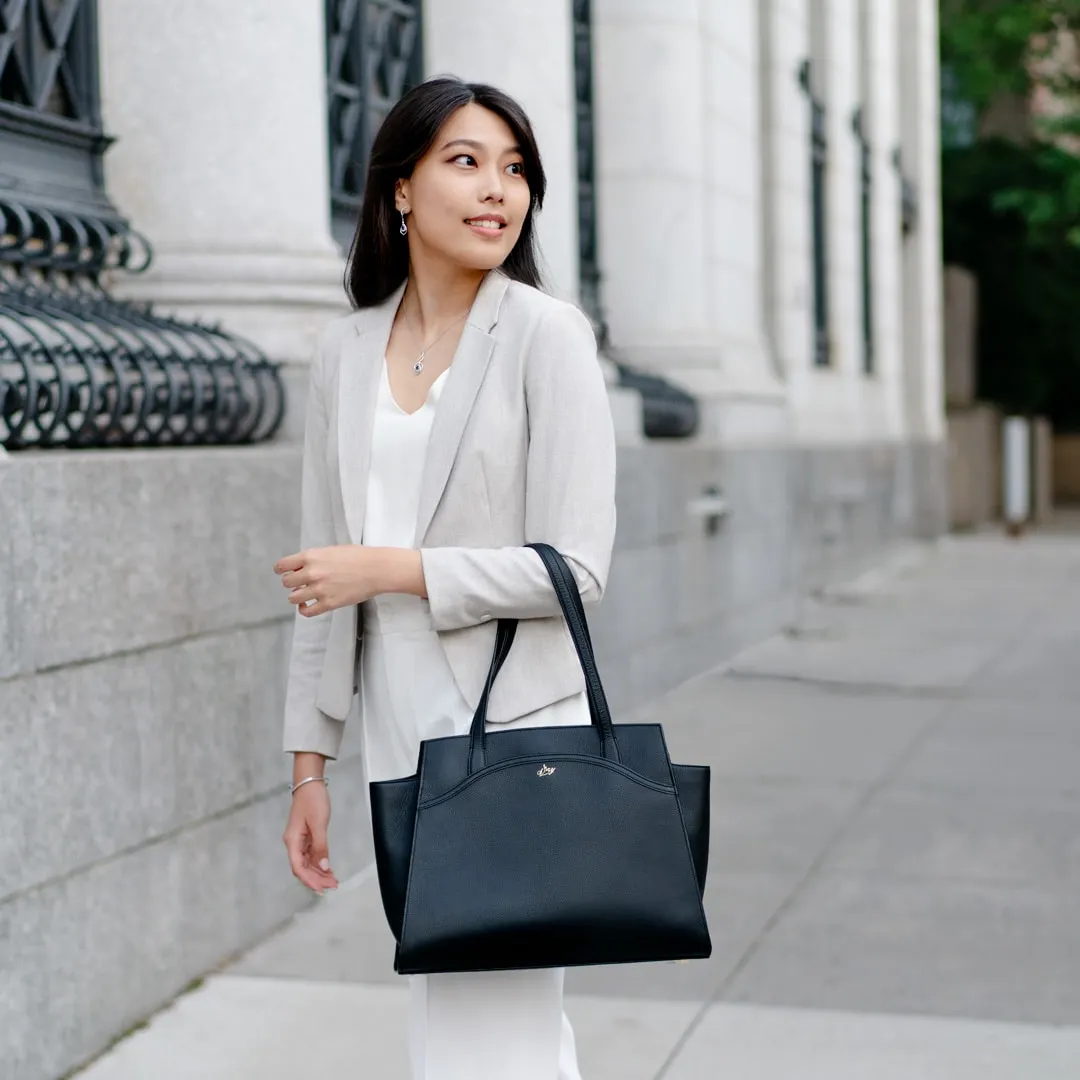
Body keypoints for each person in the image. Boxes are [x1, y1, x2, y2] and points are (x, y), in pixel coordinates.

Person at [274, 76, 616, 1080]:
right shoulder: (343, 352)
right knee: (444, 1003)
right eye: (465, 162)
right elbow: (318, 578)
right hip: (391, 720)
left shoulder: (549, 337)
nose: (496, 191)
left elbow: (578, 569)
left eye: (514, 170)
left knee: (499, 1015)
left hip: (512, 722)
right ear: (401, 191)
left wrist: (397, 569)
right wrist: (308, 765)